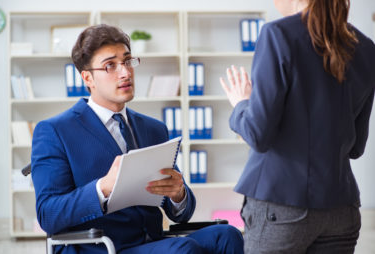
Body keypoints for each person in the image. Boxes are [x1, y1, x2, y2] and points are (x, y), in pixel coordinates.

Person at [31, 24, 243, 254]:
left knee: (227, 235)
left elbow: (182, 213)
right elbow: (48, 214)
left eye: (127, 61)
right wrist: (103, 188)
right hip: (102, 247)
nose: (125, 72)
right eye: (110, 65)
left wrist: (178, 194)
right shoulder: (55, 130)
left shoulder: (154, 129)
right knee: (183, 249)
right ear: (88, 78)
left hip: (152, 241)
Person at [220, 0, 375, 253]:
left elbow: (258, 134)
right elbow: (356, 147)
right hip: (341, 210)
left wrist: (241, 104)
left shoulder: (277, 35)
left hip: (281, 207)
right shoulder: (367, 48)